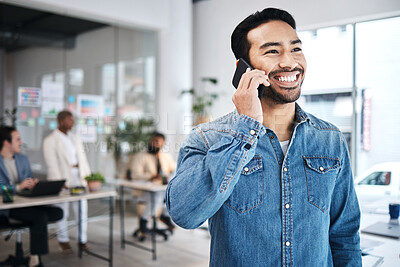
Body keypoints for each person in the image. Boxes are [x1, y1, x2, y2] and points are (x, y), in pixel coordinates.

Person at [166, 7, 361, 266]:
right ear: (243, 68)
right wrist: (246, 128)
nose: (290, 62)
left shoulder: (330, 139)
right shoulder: (207, 139)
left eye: (296, 48)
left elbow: (345, 235)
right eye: (272, 51)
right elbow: (185, 215)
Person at [0, 126, 63, 267]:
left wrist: (33, 184)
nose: (21, 142)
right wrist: (18, 187)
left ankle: (34, 257)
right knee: (40, 217)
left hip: (26, 203)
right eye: (18, 139)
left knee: (58, 212)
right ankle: (35, 260)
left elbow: (28, 178)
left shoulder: (22, 159)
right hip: (7, 207)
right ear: (6, 142)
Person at [43, 111, 91, 254]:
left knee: (82, 209)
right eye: (70, 120)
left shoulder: (75, 138)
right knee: (62, 210)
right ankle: (63, 240)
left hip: (79, 176)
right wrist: (59, 181)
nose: (73, 122)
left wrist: (87, 177)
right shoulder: (50, 140)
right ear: (61, 121)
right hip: (62, 178)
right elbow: (51, 164)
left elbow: (83, 159)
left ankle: (82, 240)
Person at [129, 132, 176, 241]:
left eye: (157, 142)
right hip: (144, 191)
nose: (154, 144)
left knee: (172, 194)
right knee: (157, 196)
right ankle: (144, 222)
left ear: (163, 144)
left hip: (160, 189)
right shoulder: (141, 156)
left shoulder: (165, 156)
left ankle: (163, 215)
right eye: (153, 141)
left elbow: (174, 168)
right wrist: (151, 176)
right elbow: (134, 175)